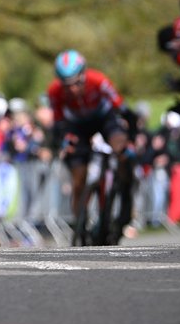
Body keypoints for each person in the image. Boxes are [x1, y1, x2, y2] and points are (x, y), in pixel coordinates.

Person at [46, 49, 134, 225]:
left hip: (104, 119)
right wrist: (62, 142)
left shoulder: (98, 80)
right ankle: (80, 224)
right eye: (66, 85)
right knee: (78, 178)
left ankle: (125, 192)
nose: (71, 89)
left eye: (76, 83)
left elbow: (122, 109)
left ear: (83, 74)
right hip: (77, 124)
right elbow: (58, 123)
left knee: (120, 147)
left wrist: (130, 135)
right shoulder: (54, 91)